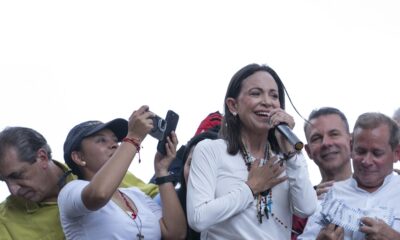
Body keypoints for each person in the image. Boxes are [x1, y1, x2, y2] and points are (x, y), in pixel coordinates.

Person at [186, 63, 317, 239]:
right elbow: (198, 218)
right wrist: (251, 188)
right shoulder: (211, 150)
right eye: (256, 93)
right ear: (233, 106)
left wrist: (292, 155)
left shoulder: (285, 160)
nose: (267, 102)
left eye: (274, 95)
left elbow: (306, 208)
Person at [0, 126, 158, 240]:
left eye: (18, 175)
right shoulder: (4, 223)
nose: (13, 190)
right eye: (4, 181)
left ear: (42, 157)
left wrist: (165, 173)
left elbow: (155, 199)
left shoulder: (99, 170)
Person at [58, 105, 186, 239]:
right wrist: (134, 137)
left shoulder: (137, 195)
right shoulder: (70, 191)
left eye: (115, 140)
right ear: (79, 157)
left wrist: (162, 171)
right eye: (101, 140)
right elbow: (99, 194)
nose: (115, 145)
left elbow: (176, 234)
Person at [298, 112, 400, 240]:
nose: (366, 161)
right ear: (351, 148)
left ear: (396, 153)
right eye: (361, 151)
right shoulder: (330, 196)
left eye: (377, 153)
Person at [292, 107, 353, 239]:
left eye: (334, 134)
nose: (326, 143)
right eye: (316, 138)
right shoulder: (298, 209)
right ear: (308, 151)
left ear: (351, 142)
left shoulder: (387, 192)